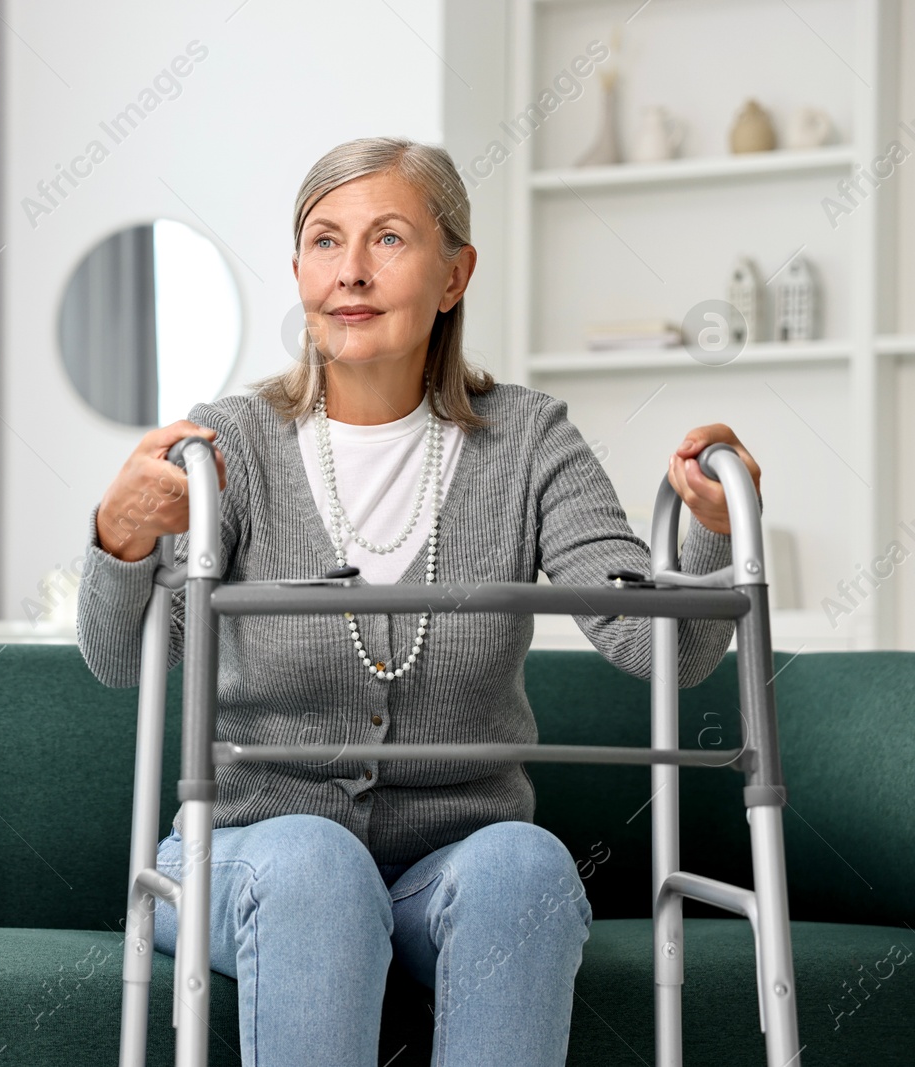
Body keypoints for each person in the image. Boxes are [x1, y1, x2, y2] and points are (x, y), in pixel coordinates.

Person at [75, 136, 763, 1066]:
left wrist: (712, 529)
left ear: (454, 274)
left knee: (528, 865)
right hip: (248, 855)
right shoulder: (231, 441)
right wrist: (119, 534)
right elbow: (123, 660)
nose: (350, 273)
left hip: (451, 863)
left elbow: (665, 655)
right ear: (298, 271)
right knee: (321, 866)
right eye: (324, 241)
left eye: (389, 239)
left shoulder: (527, 438)